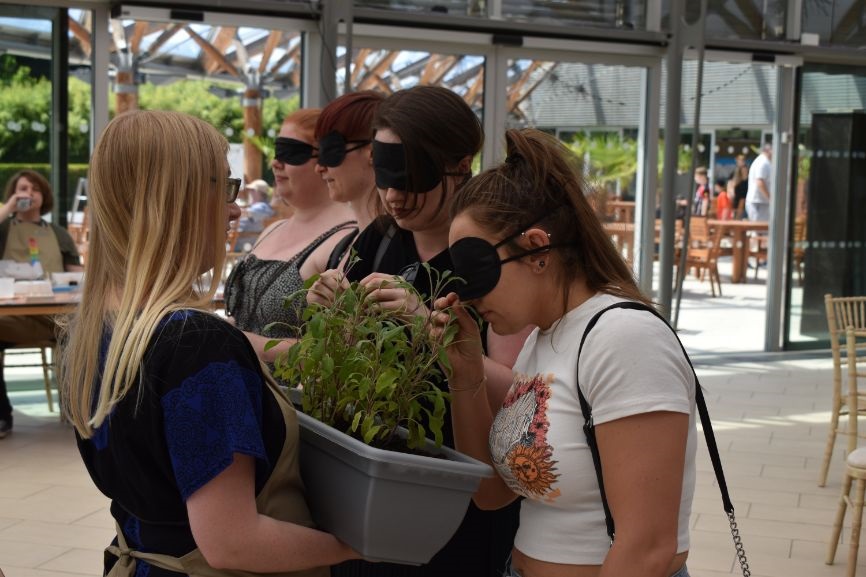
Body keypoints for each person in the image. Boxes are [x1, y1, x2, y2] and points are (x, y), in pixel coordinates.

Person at [61, 110, 359, 577]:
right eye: (222, 188)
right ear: (173, 201)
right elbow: (234, 543)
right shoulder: (195, 345)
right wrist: (357, 546)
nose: (235, 209)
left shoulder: (95, 330)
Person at [432, 128, 697, 577]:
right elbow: (493, 493)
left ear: (537, 248)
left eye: (475, 270)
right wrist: (465, 372)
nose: (467, 294)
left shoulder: (623, 337)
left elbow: (648, 546)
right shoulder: (545, 338)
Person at [312, 85, 522, 577]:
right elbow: (341, 355)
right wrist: (329, 308)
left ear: (460, 163)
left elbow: (524, 394)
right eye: (384, 177)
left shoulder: (491, 256)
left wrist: (428, 325)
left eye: (412, 178)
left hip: (460, 500)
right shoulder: (378, 238)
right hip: (370, 483)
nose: (394, 195)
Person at [224, 108, 357, 363]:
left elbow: (339, 347)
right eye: (277, 151)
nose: (276, 162)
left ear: (325, 161)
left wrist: (241, 341)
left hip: (292, 399)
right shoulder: (273, 229)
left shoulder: (348, 238)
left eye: (291, 153)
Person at [0, 170, 82, 438]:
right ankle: (2, 414)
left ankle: (77, 411)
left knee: (83, 330)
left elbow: (76, 274)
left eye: (35, 189)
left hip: (57, 318)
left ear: (44, 196)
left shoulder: (59, 234)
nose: (29, 194)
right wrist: (9, 208)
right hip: (15, 319)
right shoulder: (3, 229)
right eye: (23, 188)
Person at [313, 90, 385, 269]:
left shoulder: (399, 245)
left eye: (330, 151)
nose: (319, 167)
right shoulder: (343, 248)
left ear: (372, 153)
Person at [234, 179, 275, 251]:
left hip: (242, 244)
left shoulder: (262, 206)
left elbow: (249, 213)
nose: (249, 192)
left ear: (259, 192)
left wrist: (229, 211)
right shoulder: (257, 206)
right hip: (237, 241)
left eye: (252, 190)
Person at [745, 143, 772, 222]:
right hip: (757, 203)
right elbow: (759, 182)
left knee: (761, 230)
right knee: (759, 230)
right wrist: (770, 198)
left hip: (761, 202)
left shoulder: (766, 162)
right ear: (768, 151)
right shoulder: (762, 162)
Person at [732, 153, 749, 218]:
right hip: (737, 204)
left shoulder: (747, 182)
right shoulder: (735, 174)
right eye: (739, 160)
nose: (740, 162)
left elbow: (742, 199)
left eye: (742, 160)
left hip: (743, 206)